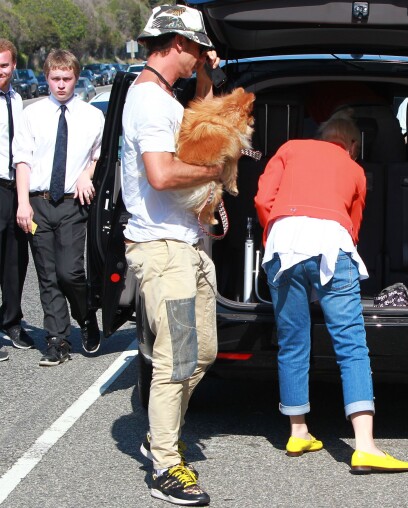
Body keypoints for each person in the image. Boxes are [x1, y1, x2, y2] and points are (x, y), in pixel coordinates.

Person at [254, 111, 408, 473]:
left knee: (293, 339)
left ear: (324, 134)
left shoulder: (290, 148)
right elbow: (353, 225)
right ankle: (365, 446)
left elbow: (263, 200)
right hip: (330, 245)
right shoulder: (354, 169)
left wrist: (277, 233)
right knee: (351, 344)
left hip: (284, 245)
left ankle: (298, 431)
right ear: (353, 145)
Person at [122, 4, 222, 506]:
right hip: (163, 249)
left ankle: (160, 436)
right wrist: (214, 174)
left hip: (185, 243)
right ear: (177, 43)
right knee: (176, 358)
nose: (201, 55)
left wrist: (205, 78)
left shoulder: (166, 98)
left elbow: (200, 124)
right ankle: (165, 463)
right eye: (198, 49)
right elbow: (161, 174)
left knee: (201, 353)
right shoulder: (147, 101)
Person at [13, 49, 104, 366]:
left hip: (72, 204)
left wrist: (86, 174)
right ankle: (57, 341)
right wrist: (23, 203)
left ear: (76, 78)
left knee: (70, 272)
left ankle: (87, 317)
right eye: (55, 79)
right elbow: (22, 160)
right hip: (38, 203)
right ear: (46, 78)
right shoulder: (32, 114)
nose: (61, 85)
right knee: (48, 277)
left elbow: (98, 156)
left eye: (67, 79)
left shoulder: (92, 116)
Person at [0, 39, 31, 362]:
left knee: (15, 260)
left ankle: (11, 321)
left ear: (13, 67)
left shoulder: (17, 99)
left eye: (5, 65)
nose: (0, 71)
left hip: (13, 187)